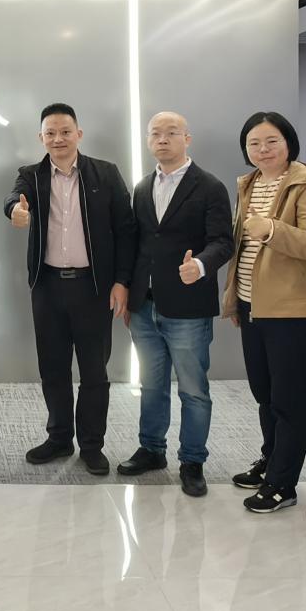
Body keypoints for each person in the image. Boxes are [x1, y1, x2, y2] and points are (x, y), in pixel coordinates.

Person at [4, 103, 134, 476]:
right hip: (47, 288)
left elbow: (126, 230)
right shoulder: (31, 175)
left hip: (93, 287)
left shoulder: (105, 174)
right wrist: (15, 211)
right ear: (41, 137)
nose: (58, 139)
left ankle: (91, 445)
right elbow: (13, 199)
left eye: (65, 131)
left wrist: (122, 281)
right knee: (53, 369)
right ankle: (59, 437)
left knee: (94, 372)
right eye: (50, 133)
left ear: (79, 134)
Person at [116, 111, 233, 497]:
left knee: (193, 390)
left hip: (188, 307)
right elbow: (135, 244)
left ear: (187, 138)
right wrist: (127, 290)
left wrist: (200, 265)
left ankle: (192, 460)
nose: (162, 139)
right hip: (145, 306)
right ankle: (152, 449)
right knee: (151, 386)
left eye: (171, 133)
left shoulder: (210, 187)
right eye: (155, 134)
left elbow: (223, 241)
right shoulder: (142, 187)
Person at [221, 112, 306, 513]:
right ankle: (271, 461)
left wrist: (271, 229)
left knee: (290, 400)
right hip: (254, 305)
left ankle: (284, 483)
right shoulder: (249, 184)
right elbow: (242, 249)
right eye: (254, 143)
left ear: (289, 143)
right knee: (264, 394)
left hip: (293, 311)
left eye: (272, 141)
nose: (263, 149)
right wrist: (236, 299)